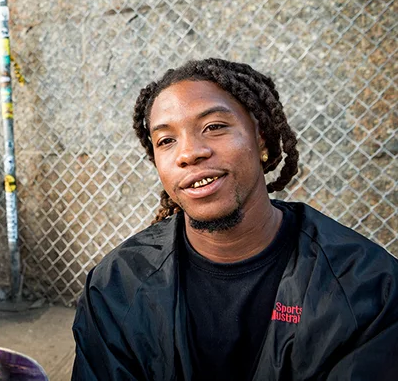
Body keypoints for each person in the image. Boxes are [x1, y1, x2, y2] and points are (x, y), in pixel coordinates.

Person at [72, 58, 398, 380]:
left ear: (260, 138)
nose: (189, 153)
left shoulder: (369, 288)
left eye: (214, 127)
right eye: (166, 140)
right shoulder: (115, 288)